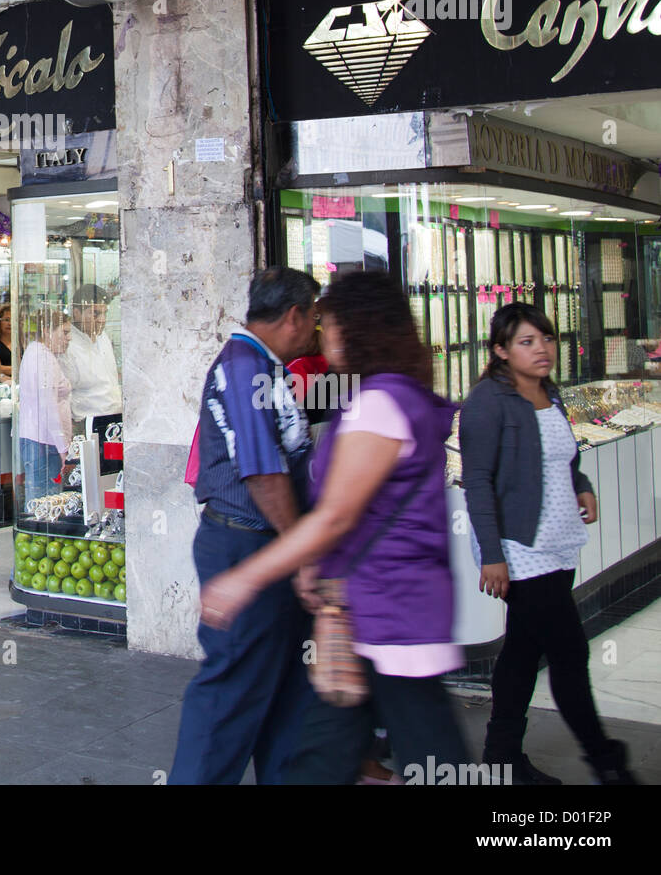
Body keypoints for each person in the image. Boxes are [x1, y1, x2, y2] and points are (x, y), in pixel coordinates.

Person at [196, 271, 470, 785]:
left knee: (425, 755)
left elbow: (336, 516)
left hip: (388, 610)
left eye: (332, 322)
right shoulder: (395, 396)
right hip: (380, 608)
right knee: (323, 746)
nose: (325, 335)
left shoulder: (380, 403)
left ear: (357, 327)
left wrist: (250, 576)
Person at [461, 303, 637, 785]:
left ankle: (501, 758)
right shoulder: (488, 401)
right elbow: (476, 480)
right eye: (527, 341)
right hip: (519, 550)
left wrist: (581, 483)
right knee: (569, 651)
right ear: (500, 350)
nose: (542, 349)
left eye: (547, 339)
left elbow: (564, 455)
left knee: (520, 649)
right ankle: (606, 761)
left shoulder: (549, 392)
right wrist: (493, 556)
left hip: (559, 541)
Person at [169, 267, 319, 785]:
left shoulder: (265, 366)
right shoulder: (243, 366)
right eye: (315, 316)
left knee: (277, 689)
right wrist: (302, 551)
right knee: (231, 691)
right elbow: (262, 470)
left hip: (264, 546)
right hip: (242, 542)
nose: (318, 328)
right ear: (295, 316)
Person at [17, 310, 73, 501]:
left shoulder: (38, 354)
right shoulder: (42, 358)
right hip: (45, 442)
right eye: (64, 333)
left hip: (41, 439)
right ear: (47, 330)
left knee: (41, 500)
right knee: (45, 502)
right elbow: (47, 407)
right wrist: (63, 447)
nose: (69, 338)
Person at [59, 283, 121, 439]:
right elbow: (64, 394)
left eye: (104, 313)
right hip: (87, 422)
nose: (102, 320)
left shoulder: (103, 338)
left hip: (115, 416)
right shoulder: (68, 344)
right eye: (95, 313)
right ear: (76, 312)